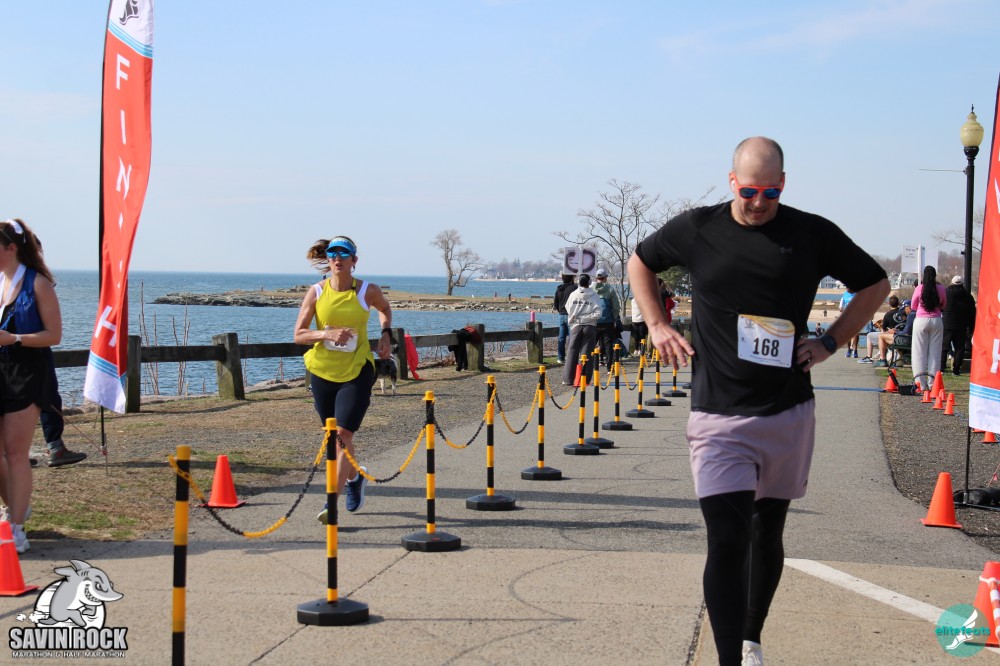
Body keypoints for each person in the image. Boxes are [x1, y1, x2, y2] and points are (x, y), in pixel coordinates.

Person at [626, 137, 888, 666]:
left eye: (770, 192)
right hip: (718, 414)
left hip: (786, 411)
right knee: (727, 539)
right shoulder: (699, 228)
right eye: (749, 191)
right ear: (732, 182)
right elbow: (640, 262)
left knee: (766, 534)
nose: (759, 202)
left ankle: (750, 639)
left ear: (783, 185)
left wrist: (831, 341)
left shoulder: (811, 233)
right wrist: (655, 323)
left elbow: (875, 286)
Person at [293, 235, 392, 522]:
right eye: (333, 254)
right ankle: (355, 478)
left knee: (343, 435)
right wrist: (327, 334)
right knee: (334, 438)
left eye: (343, 254)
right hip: (323, 372)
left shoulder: (368, 291)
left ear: (354, 260)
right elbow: (299, 334)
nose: (337, 258)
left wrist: (385, 333)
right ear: (328, 260)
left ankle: (331, 505)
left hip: (357, 371)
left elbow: (385, 309)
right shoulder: (316, 292)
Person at [0, 218, 65, 553]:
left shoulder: (38, 283)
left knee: (15, 452)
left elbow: (54, 335)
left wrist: (14, 338)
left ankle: (17, 528)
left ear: (11, 248)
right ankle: (15, 508)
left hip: (26, 374)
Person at [910, 265, 946, 390]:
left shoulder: (919, 288)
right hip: (937, 320)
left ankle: (920, 383)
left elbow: (913, 305)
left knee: (919, 353)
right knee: (935, 353)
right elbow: (943, 304)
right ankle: (933, 383)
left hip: (921, 320)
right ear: (935, 276)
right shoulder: (941, 288)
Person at [562, 273, 602, 385]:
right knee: (586, 353)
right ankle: (583, 379)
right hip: (589, 326)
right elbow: (598, 313)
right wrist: (587, 317)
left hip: (575, 325)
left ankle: (568, 379)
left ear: (579, 282)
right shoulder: (594, 295)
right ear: (589, 282)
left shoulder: (573, 294)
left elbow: (567, 307)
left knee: (572, 351)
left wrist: (576, 316)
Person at [941, 275, 976, 375]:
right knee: (959, 348)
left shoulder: (946, 293)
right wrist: (972, 328)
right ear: (962, 284)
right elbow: (972, 313)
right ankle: (956, 369)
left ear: (952, 282)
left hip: (947, 324)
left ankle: (941, 368)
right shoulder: (968, 296)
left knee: (944, 347)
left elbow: (940, 306)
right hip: (961, 325)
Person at [593, 268, 622, 371]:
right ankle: (609, 367)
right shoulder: (610, 289)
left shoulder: (591, 289)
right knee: (608, 345)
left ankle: (588, 366)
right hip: (608, 321)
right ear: (605, 278)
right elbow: (616, 307)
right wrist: (614, 318)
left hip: (594, 321)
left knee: (591, 344)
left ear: (596, 278)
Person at [874, 299, 915, 367]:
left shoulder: (911, 316)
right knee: (885, 335)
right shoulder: (914, 314)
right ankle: (889, 358)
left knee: (881, 336)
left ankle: (883, 360)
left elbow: (906, 333)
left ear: (908, 307)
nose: (904, 311)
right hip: (910, 339)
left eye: (904, 309)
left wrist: (895, 331)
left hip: (906, 340)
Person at [553, 273, 577, 365]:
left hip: (562, 314)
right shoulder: (574, 288)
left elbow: (555, 303)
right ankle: (571, 357)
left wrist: (560, 310)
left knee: (561, 337)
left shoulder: (559, 288)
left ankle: (560, 357)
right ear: (571, 278)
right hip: (571, 314)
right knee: (572, 337)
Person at [839, 289, 859, 357]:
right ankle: (849, 350)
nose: (847, 288)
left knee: (856, 333)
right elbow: (842, 303)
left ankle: (855, 350)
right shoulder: (845, 294)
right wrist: (841, 308)